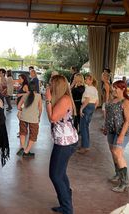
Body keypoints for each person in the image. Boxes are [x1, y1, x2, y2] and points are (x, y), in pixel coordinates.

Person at [45, 75, 78, 214]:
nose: (48, 86)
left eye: (51, 84)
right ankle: (65, 203)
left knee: (55, 175)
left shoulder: (64, 99)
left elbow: (52, 118)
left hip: (65, 143)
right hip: (63, 140)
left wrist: (47, 99)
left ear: (56, 86)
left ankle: (67, 208)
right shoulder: (61, 99)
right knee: (60, 174)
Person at [103, 80, 129, 193]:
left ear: (123, 89)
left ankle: (124, 183)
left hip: (124, 131)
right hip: (112, 130)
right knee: (113, 151)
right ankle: (118, 174)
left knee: (118, 153)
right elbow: (108, 115)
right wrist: (106, 127)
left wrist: (121, 135)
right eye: (113, 87)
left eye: (116, 88)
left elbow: (128, 121)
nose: (113, 89)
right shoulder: (112, 100)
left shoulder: (126, 102)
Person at [17, 81, 42, 157]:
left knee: (23, 132)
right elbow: (40, 108)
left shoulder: (25, 95)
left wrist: (22, 109)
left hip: (23, 117)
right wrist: (39, 117)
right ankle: (26, 151)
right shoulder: (38, 96)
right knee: (33, 134)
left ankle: (22, 147)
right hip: (34, 118)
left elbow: (18, 106)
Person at [78, 75, 99, 154]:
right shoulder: (94, 89)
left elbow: (87, 100)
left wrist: (81, 109)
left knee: (83, 127)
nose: (85, 80)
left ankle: (85, 147)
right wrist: (93, 109)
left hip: (86, 106)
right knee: (86, 127)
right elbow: (97, 102)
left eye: (86, 79)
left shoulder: (88, 88)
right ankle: (85, 145)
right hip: (92, 107)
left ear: (90, 80)